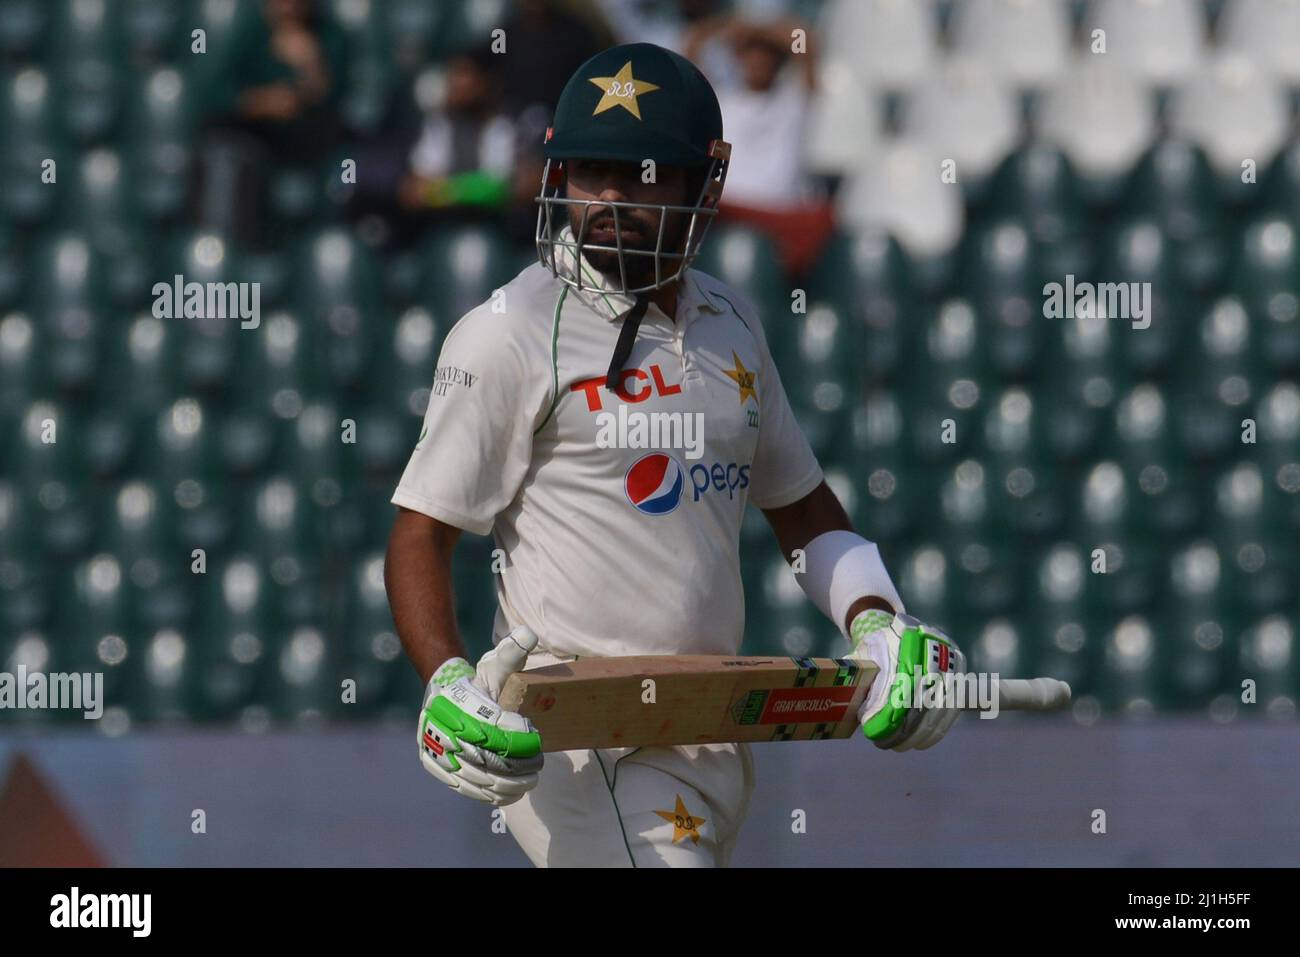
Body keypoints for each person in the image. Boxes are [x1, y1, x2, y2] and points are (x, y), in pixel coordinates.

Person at [385, 42, 965, 868]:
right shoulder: (511, 330)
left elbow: (799, 507)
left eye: (644, 173)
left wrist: (878, 620)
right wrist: (444, 682)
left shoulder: (731, 319)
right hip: (582, 737)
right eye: (589, 171)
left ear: (709, 178)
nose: (611, 197)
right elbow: (421, 531)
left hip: (711, 725)